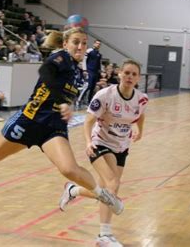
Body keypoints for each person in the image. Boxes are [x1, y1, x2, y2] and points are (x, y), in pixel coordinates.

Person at [0, 27, 124, 215]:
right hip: (29, 121)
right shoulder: (60, 58)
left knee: (69, 170)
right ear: (65, 44)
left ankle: (103, 195)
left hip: (54, 127)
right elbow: (45, 72)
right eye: (76, 42)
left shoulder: (81, 71)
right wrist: (62, 101)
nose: (80, 46)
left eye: (83, 43)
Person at [58, 60, 148, 247]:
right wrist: (88, 142)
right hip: (100, 143)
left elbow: (140, 115)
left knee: (106, 190)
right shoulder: (105, 95)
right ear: (120, 74)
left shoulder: (141, 98)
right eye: (127, 73)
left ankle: (73, 190)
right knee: (112, 184)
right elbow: (88, 121)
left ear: (138, 78)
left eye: (134, 74)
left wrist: (140, 129)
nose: (130, 77)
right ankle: (104, 235)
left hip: (121, 146)